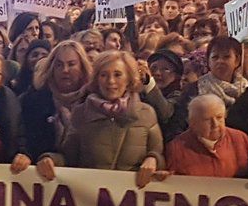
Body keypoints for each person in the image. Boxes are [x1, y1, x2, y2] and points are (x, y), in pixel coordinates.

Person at [37, 51, 165, 186]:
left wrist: (153, 159)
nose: (110, 81)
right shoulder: (81, 113)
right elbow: (68, 158)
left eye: (117, 74)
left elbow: (158, 154)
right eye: (104, 75)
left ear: (129, 79)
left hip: (131, 201)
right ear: (96, 79)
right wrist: (50, 160)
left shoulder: (147, 114)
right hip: (90, 199)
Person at [20, 40, 92, 165]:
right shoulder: (33, 101)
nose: (65, 70)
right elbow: (27, 142)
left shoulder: (94, 101)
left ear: (82, 67)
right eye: (59, 65)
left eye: (71, 64)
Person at [165, 94, 248, 178]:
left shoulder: (240, 139)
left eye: (219, 117)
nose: (215, 124)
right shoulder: (176, 148)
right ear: (192, 123)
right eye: (207, 119)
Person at [185, 35, 248, 108]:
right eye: (215, 57)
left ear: (237, 60)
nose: (220, 61)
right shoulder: (194, 90)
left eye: (226, 57)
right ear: (208, 61)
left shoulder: (247, 90)